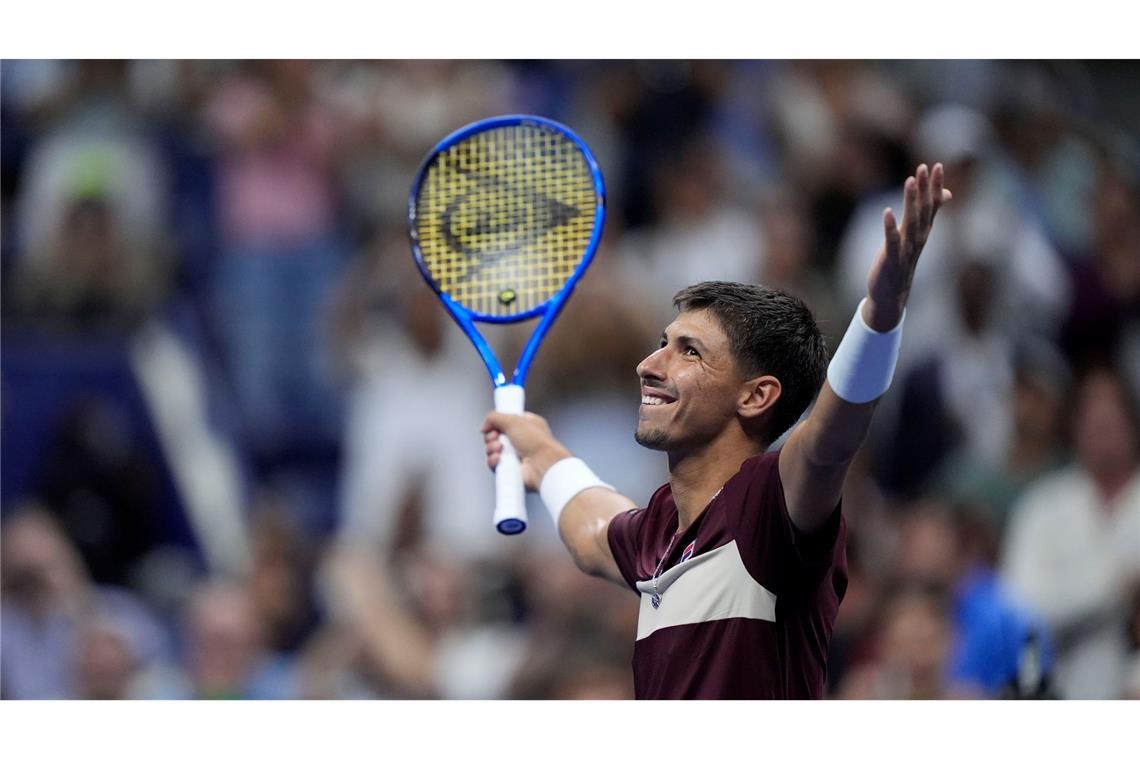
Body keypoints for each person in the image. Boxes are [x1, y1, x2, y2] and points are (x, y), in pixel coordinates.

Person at [481, 163, 952, 698]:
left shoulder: (768, 507)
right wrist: (539, 452)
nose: (648, 365)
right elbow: (593, 532)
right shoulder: (660, 534)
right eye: (663, 341)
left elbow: (832, 438)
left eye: (689, 352)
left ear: (756, 396)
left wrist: (880, 314)